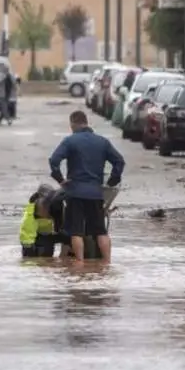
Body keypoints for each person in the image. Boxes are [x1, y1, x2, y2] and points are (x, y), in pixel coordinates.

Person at [49, 110, 124, 263]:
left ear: (73, 123)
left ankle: (80, 263)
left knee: (76, 231)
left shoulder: (70, 141)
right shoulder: (102, 142)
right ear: (86, 122)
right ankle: (107, 263)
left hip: (75, 193)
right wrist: (111, 182)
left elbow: (54, 160)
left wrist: (60, 179)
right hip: (96, 193)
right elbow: (119, 161)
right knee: (100, 231)